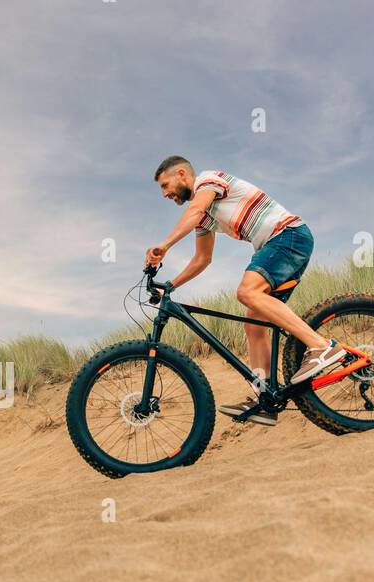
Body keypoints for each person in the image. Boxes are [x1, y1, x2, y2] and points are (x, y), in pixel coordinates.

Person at [146, 155, 346, 426]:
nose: (165, 193)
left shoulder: (208, 180)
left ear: (182, 174)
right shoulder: (205, 217)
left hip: (287, 236)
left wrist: (164, 246)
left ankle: (323, 347)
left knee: (247, 292)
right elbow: (202, 259)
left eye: (165, 185)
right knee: (254, 325)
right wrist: (170, 286)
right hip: (274, 246)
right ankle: (264, 398)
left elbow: (193, 213)